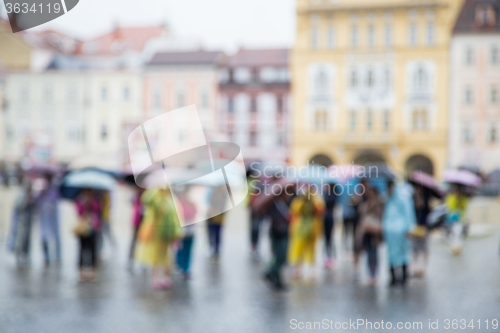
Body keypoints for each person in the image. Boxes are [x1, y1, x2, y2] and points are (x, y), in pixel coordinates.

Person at [136, 188, 182, 289]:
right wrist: (154, 190)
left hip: (168, 233)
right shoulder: (156, 199)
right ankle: (155, 278)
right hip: (156, 233)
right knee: (155, 256)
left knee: (168, 256)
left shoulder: (172, 200)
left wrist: (177, 234)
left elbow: (177, 218)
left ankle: (166, 277)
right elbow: (146, 199)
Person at [382, 181, 416, 286]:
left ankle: (403, 277)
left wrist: (410, 227)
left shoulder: (403, 198)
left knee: (402, 253)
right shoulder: (388, 199)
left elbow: (408, 213)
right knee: (391, 255)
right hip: (391, 231)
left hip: (401, 230)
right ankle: (393, 278)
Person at [288, 188, 325, 280]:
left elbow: (321, 211)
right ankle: (298, 270)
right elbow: (294, 212)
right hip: (301, 228)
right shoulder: (299, 201)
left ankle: (310, 270)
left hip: (311, 228)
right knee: (298, 249)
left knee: (310, 249)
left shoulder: (316, 200)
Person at [263, 188, 294, 290]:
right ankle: (271, 274)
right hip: (276, 232)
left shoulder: (287, 203)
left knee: (283, 257)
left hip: (284, 232)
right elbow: (270, 216)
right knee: (280, 256)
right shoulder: (274, 204)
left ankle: (274, 276)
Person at [356, 186, 384, 286]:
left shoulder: (378, 204)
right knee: (368, 253)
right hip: (367, 231)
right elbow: (360, 213)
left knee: (374, 253)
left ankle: (375, 273)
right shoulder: (365, 204)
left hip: (375, 231)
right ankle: (370, 274)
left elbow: (380, 214)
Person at [74, 189, 102, 282]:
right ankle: (81, 270)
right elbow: (79, 212)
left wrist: (91, 203)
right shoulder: (80, 200)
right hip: (83, 227)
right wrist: (84, 204)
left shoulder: (95, 200)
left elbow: (97, 210)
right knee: (82, 248)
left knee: (92, 249)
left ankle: (92, 270)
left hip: (93, 227)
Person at [8, 180, 36, 268]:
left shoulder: (32, 195)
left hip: (29, 221)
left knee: (27, 240)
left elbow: (35, 208)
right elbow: (17, 206)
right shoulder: (21, 194)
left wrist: (32, 202)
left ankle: (25, 256)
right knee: (19, 239)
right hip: (21, 221)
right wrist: (25, 202)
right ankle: (17, 255)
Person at [36, 173, 61, 266]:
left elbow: (56, 201)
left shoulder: (54, 189)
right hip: (44, 217)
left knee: (56, 237)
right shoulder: (42, 190)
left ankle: (58, 257)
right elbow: (37, 201)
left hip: (53, 217)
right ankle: (46, 257)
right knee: (43, 237)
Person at [410, 184, 432, 276]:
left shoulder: (426, 201)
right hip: (415, 227)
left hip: (424, 227)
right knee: (415, 249)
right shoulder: (411, 200)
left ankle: (423, 268)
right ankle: (416, 268)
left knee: (424, 249)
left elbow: (429, 214)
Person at [176, 186, 197, 279]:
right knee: (181, 249)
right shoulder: (178, 203)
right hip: (182, 230)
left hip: (190, 230)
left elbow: (195, 214)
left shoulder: (191, 203)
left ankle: (186, 268)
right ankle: (181, 266)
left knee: (187, 249)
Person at [445, 184, 469, 255]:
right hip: (452, 219)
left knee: (459, 233)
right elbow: (450, 207)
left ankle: (458, 248)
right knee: (453, 234)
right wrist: (456, 199)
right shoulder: (451, 197)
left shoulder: (464, 198)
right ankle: (454, 247)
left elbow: (465, 207)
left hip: (461, 218)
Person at [206, 184, 228, 260]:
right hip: (212, 214)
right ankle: (213, 248)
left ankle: (216, 249)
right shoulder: (211, 189)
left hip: (217, 215)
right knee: (212, 232)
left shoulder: (222, 191)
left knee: (217, 232)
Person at [128, 187, 145, 269]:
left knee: (143, 242)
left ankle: (143, 260)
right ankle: (131, 258)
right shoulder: (136, 196)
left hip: (145, 222)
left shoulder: (146, 196)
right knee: (134, 241)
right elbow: (131, 201)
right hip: (137, 221)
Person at [322, 182, 338, 269]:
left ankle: (331, 256)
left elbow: (330, 202)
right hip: (324, 218)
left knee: (330, 238)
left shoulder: (332, 195)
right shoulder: (324, 193)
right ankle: (327, 256)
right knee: (325, 238)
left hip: (330, 218)